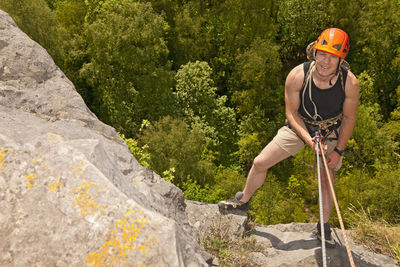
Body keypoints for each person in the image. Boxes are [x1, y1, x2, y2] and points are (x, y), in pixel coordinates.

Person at [218, 28, 360, 246]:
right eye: (322, 53)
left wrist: (338, 150)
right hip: (300, 126)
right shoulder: (297, 76)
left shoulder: (349, 83)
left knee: (326, 176)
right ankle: (242, 201)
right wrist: (308, 139)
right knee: (260, 162)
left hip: (330, 130)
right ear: (314, 52)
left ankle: (323, 227)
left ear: (341, 60)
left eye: (333, 57)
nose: (325, 61)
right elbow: (291, 114)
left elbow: (349, 118)